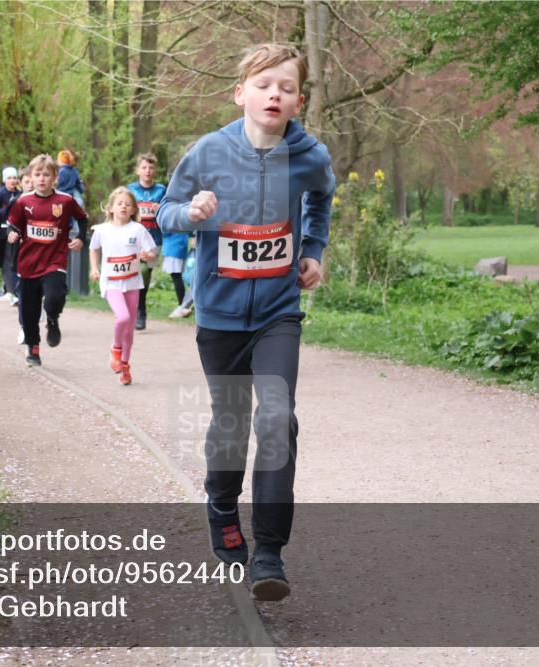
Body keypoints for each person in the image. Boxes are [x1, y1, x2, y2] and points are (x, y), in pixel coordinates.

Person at [157, 43, 335, 601]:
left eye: (285, 86)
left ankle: (268, 553)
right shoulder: (208, 152)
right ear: (241, 94)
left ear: (298, 99)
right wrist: (190, 214)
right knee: (231, 422)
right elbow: (164, 210)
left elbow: (321, 200)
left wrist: (313, 248)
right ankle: (220, 507)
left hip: (279, 312)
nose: (273, 94)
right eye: (262, 85)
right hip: (220, 312)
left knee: (278, 418)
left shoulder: (310, 156)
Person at [6, 154, 86, 366]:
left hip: (54, 260)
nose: (41, 179)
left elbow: (82, 217)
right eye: (37, 174)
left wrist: (80, 237)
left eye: (46, 175)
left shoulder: (65, 200)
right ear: (31, 178)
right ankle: (33, 347)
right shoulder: (22, 202)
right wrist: (12, 235)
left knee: (55, 296)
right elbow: (13, 225)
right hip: (28, 262)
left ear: (55, 178)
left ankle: (52, 319)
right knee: (29, 310)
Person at [88, 187, 157, 386]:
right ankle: (115, 350)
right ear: (111, 208)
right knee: (123, 317)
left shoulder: (138, 229)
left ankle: (125, 366)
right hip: (111, 282)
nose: (124, 207)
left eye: (128, 204)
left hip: (133, 282)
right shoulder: (102, 230)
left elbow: (151, 252)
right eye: (120, 204)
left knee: (130, 330)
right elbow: (93, 249)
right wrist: (94, 268)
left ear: (134, 209)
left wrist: (147, 255)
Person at [127, 153, 167, 331]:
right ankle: (135, 310)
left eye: (150, 168)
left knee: (145, 273)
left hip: (154, 239)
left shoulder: (161, 190)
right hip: (133, 238)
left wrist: (161, 209)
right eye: (144, 167)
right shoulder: (130, 190)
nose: (147, 171)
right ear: (137, 170)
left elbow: (168, 213)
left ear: (155, 170)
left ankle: (140, 309)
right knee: (135, 273)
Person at [0, 166, 21, 301]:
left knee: (10, 260)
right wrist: (7, 211)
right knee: (1, 260)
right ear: (4, 180)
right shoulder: (0, 193)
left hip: (12, 232)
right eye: (9, 178)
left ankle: (11, 292)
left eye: (14, 178)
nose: (12, 181)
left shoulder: (19, 194)